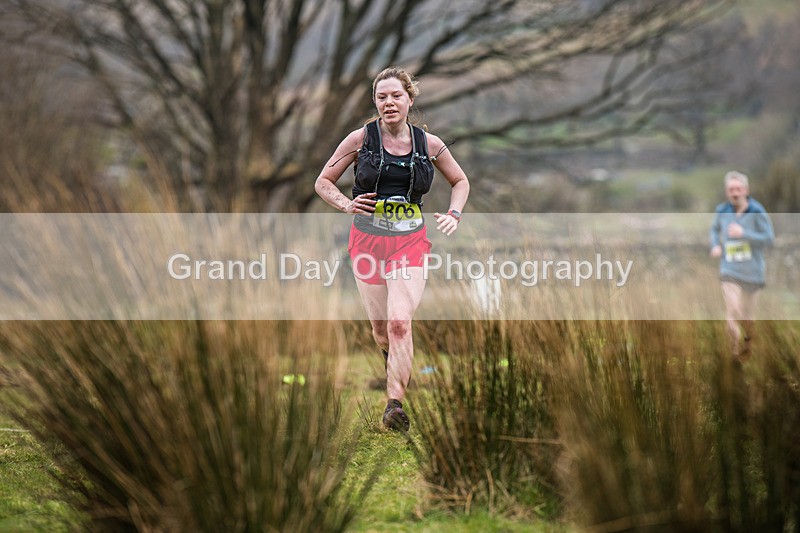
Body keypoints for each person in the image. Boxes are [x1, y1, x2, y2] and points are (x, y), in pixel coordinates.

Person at [315, 66, 470, 430]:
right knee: (381, 329)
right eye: (381, 97)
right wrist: (347, 205)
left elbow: (460, 180)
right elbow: (323, 181)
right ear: (375, 102)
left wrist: (454, 213)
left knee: (400, 322)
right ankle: (394, 364)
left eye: (396, 96)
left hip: (410, 242)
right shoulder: (359, 140)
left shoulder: (430, 145)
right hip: (367, 242)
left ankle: (394, 404)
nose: (389, 103)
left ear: (409, 99)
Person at [709, 171, 774, 360]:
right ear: (726, 192)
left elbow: (769, 240)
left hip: (753, 271)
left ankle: (747, 346)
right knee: (733, 310)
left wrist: (744, 233)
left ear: (746, 190)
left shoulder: (757, 211)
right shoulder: (721, 211)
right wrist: (715, 245)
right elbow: (714, 230)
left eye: (738, 189)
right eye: (731, 189)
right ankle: (733, 353)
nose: (735, 193)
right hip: (729, 269)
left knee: (748, 316)